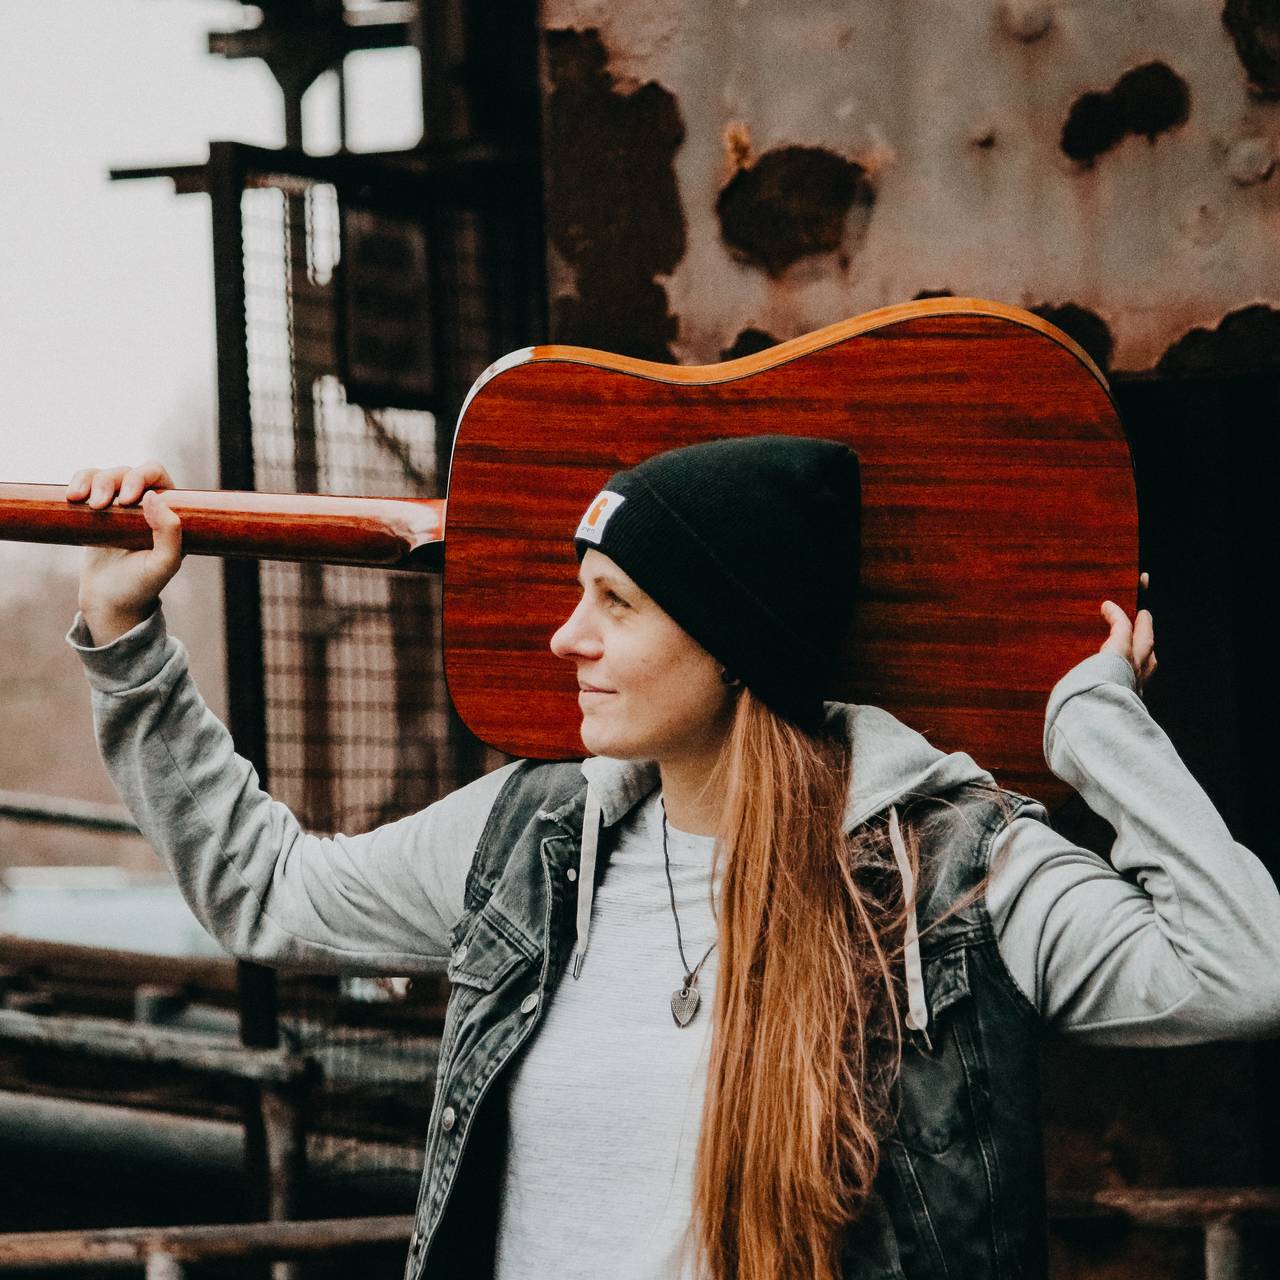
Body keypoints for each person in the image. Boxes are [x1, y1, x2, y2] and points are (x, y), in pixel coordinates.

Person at [64, 438, 1279, 1280]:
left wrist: (1094, 726)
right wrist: (127, 637)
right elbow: (266, 892)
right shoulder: (527, 838)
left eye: (616, 602)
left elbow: (1241, 967)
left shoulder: (953, 872)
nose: (565, 636)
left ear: (732, 639)